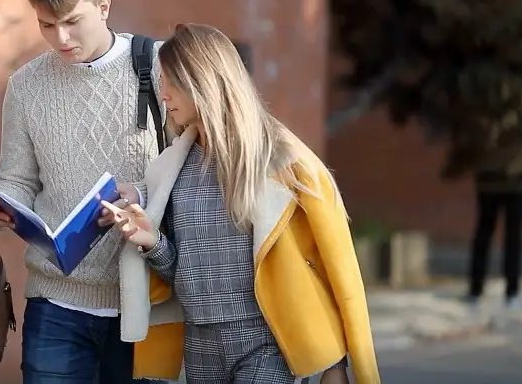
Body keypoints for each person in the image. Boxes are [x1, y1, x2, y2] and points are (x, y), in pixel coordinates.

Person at [101, 24, 381, 384]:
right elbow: (181, 274)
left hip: (267, 341)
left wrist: (334, 362)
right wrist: (152, 242)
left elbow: (326, 262)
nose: (163, 93)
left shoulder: (279, 160)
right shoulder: (171, 168)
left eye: (170, 81)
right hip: (200, 344)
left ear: (201, 81)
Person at [0, 0, 167, 383]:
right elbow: (17, 178)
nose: (61, 38)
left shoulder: (155, 67)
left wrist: (143, 196)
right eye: (47, 24)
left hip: (148, 299)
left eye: (72, 22)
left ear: (104, 6)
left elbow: (196, 168)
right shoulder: (26, 86)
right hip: (55, 306)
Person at [467, 152, 522, 309]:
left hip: (492, 176)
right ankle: (511, 293)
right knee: (512, 235)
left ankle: (476, 291)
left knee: (485, 231)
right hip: (515, 175)